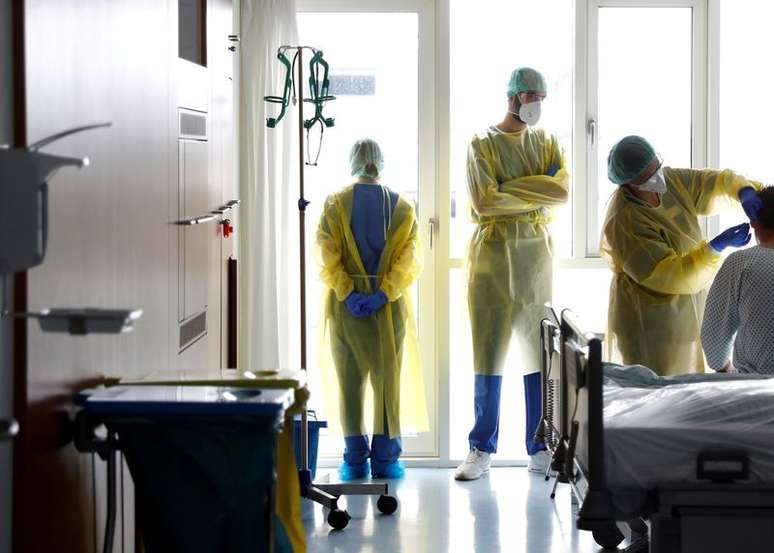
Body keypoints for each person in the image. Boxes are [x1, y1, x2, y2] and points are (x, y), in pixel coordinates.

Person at [455, 67, 569, 482]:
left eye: (542, 96)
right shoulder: (481, 143)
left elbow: (561, 192)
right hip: (492, 255)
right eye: (533, 95)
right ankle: (481, 448)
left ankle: (539, 446)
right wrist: (536, 193)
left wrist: (509, 189)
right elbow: (484, 202)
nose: (538, 103)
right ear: (516, 96)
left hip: (535, 256)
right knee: (488, 352)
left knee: (538, 352)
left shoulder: (547, 141)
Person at [601, 135, 762, 376]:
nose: (659, 177)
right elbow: (670, 275)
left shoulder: (672, 182)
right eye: (648, 176)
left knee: (689, 381)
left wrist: (742, 190)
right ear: (630, 183)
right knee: (655, 384)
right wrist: (715, 247)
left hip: (689, 305)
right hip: (648, 318)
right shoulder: (623, 220)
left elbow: (713, 184)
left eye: (658, 167)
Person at [316, 138, 427, 481]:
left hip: (345, 309)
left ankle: (354, 458)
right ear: (381, 161)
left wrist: (348, 292)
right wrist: (383, 293)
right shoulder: (402, 207)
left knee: (349, 385)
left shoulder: (336, 204)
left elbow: (327, 255)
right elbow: (410, 260)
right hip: (387, 310)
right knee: (387, 384)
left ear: (353, 161)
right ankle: (385, 459)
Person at [702, 186, 774, 374]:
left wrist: (726, 371)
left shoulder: (741, 263)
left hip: (757, 386)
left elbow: (714, 338)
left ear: (754, 221)